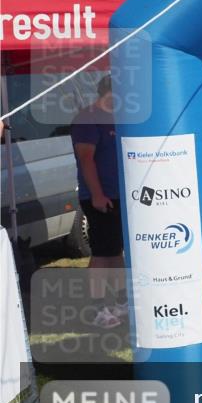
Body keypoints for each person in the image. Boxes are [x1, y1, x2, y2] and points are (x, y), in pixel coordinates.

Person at [71, 75, 126, 326]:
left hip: (118, 194)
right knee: (102, 253)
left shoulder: (116, 117)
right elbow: (86, 159)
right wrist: (97, 194)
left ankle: (119, 301)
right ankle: (97, 308)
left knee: (115, 251)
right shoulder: (88, 118)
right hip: (99, 196)